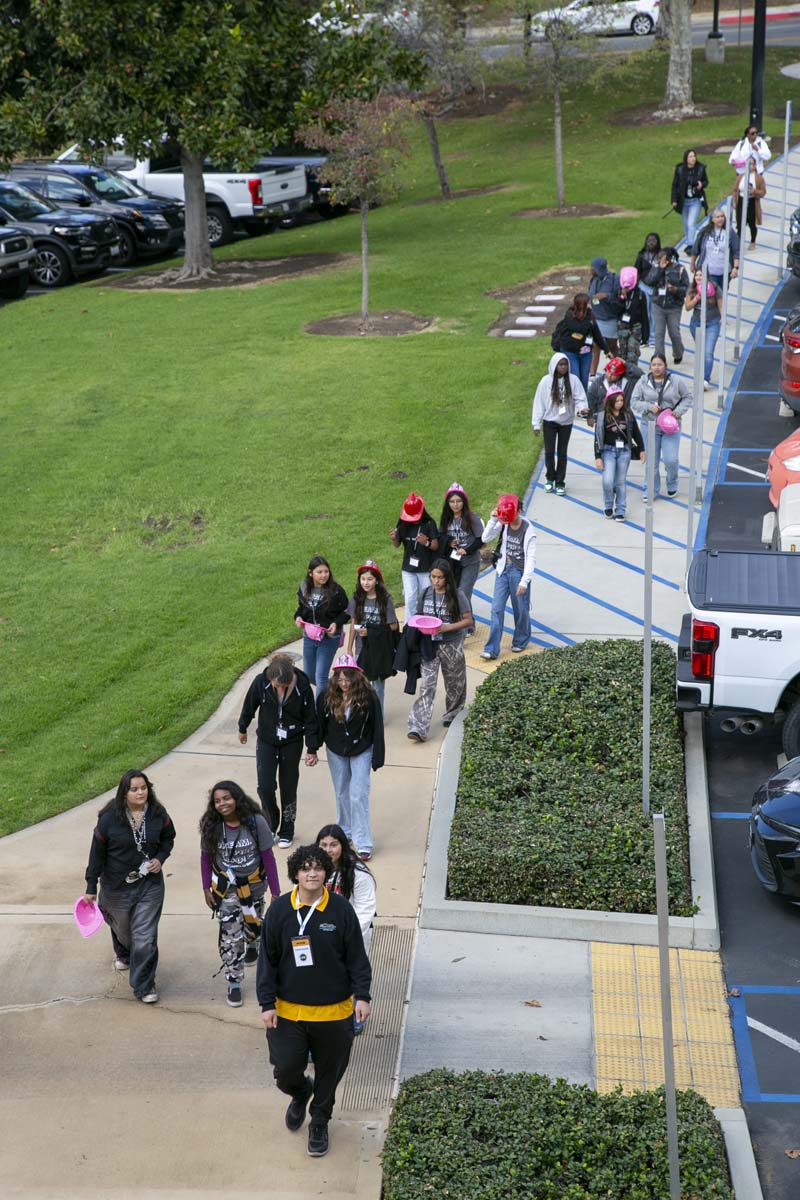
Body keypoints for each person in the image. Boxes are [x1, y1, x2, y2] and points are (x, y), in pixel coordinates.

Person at [257, 844, 371, 1159]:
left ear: (326, 872)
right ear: (295, 873)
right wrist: (266, 1003)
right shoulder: (279, 910)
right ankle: (299, 1092)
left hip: (334, 1011)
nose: (311, 873)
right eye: (305, 868)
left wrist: (362, 995)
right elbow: (267, 959)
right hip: (288, 1010)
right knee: (286, 1068)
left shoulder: (340, 909)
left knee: (330, 1071)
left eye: (317, 868)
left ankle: (319, 1119)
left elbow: (357, 958)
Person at [83, 769, 175, 1005]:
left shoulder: (158, 814)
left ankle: (144, 985)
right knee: (122, 927)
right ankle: (123, 952)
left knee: (144, 936)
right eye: (134, 789)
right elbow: (96, 854)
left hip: (150, 886)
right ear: (124, 793)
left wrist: (160, 858)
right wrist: (91, 886)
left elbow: (168, 837)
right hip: (116, 887)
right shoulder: (108, 820)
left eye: (143, 787)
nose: (140, 792)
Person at [199, 780, 281, 1007]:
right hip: (227, 891)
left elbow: (268, 857)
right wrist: (206, 888)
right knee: (231, 937)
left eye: (226, 798)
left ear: (237, 798)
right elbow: (206, 858)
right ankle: (234, 981)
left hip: (254, 887)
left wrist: (276, 891)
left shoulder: (256, 823)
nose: (222, 804)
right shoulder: (211, 825)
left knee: (253, 926)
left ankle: (252, 941)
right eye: (217, 801)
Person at [238, 653, 319, 849]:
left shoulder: (303, 686)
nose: (281, 689)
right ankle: (271, 824)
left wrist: (312, 748)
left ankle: (287, 830)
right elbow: (249, 705)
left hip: (292, 740)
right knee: (265, 786)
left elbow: (310, 718)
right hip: (267, 739)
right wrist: (243, 727)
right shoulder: (261, 682)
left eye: (285, 685)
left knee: (288, 786)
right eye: (277, 686)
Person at [317, 655, 384, 862]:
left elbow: (377, 727)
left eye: (348, 679)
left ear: (356, 677)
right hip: (336, 750)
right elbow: (319, 723)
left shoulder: (369, 696)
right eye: (340, 679)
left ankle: (363, 842)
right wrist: (312, 748)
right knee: (341, 792)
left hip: (362, 748)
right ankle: (345, 831)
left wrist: (378, 756)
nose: (344, 684)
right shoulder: (326, 697)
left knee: (358, 794)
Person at [317, 823, 377, 1034]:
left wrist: (344, 937)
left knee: (353, 975)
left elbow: (365, 910)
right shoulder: (313, 870)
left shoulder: (358, 873)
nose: (328, 849)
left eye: (333, 844)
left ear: (343, 845)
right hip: (322, 936)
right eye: (323, 844)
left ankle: (356, 1013)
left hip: (354, 936)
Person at [407, 558, 473, 739]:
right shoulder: (425, 593)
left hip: (452, 644)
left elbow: (468, 620)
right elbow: (419, 615)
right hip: (429, 645)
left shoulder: (458, 595)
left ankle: (453, 713)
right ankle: (418, 727)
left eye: (440, 577)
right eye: (433, 577)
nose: (436, 581)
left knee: (454, 684)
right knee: (427, 686)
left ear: (447, 578)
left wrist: (446, 627)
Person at [479, 494, 536, 662]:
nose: (508, 521)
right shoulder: (504, 522)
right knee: (496, 608)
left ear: (520, 510)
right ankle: (491, 649)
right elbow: (485, 538)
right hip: (503, 570)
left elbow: (531, 559)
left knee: (521, 608)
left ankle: (521, 639)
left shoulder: (528, 530)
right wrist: (492, 519)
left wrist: (524, 581)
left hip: (519, 571)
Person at [631, 353, 692, 501]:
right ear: (650, 366)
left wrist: (677, 412)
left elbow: (687, 397)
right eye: (654, 365)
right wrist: (648, 407)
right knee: (652, 461)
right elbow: (634, 401)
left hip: (670, 426)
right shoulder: (643, 381)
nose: (656, 368)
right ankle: (650, 489)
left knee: (671, 460)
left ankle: (672, 482)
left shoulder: (675, 381)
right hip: (650, 425)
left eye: (660, 365)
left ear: (665, 366)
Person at [532, 352, 589, 496]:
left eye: (565, 365)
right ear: (554, 365)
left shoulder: (573, 380)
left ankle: (560, 481)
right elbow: (539, 403)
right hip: (549, 422)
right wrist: (536, 424)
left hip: (566, 423)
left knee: (562, 452)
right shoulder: (546, 381)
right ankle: (550, 478)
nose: (563, 367)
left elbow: (580, 397)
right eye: (560, 365)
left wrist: (582, 409)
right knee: (550, 452)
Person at [345, 560, 398, 709]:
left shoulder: (385, 599)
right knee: (360, 684)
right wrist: (349, 648)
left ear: (377, 580)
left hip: (379, 649)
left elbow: (393, 626)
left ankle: (378, 717)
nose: (366, 583)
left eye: (370, 579)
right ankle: (364, 714)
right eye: (363, 579)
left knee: (378, 686)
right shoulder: (357, 598)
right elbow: (354, 623)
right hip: (361, 647)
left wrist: (371, 631)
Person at [294, 556, 350, 695]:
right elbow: (301, 609)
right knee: (308, 675)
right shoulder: (304, 588)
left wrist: (335, 623)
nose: (324, 575)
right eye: (319, 572)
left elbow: (347, 612)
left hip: (329, 638)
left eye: (326, 571)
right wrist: (298, 617)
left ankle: (321, 713)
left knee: (320, 677)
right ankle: (336, 689)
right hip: (309, 637)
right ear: (310, 573)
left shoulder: (336, 591)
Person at [593, 387, 646, 522]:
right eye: (617, 401)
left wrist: (641, 450)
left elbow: (636, 433)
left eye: (622, 400)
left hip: (624, 451)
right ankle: (608, 504)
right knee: (608, 480)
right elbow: (597, 438)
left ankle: (621, 509)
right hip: (608, 451)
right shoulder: (602, 416)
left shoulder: (628, 414)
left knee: (620, 481)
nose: (620, 403)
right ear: (610, 401)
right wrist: (598, 456)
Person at [389, 492, 439, 617]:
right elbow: (397, 544)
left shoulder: (429, 523)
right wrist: (394, 538)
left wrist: (426, 542)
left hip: (425, 568)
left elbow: (435, 545)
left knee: (426, 598)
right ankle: (409, 628)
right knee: (410, 598)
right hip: (408, 568)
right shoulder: (402, 523)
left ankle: (427, 624)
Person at [437, 482, 485, 611]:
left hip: (471, 561)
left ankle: (467, 625)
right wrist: (448, 542)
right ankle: (466, 623)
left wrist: (467, 550)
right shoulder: (446, 518)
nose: (455, 504)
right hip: (453, 562)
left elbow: (481, 539)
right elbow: (440, 535)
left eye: (458, 501)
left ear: (464, 502)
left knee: (463, 592)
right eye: (452, 501)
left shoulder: (471, 517)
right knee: (455, 592)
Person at [550, 292, 606, 391]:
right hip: (571, 352)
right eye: (588, 303)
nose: (590, 304)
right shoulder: (570, 315)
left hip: (586, 353)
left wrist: (607, 350)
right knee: (575, 378)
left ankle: (583, 403)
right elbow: (578, 328)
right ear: (582, 305)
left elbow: (596, 334)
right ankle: (574, 402)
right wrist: (589, 323)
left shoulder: (590, 316)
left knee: (584, 379)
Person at [645, 247, 688, 364]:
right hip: (658, 305)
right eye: (659, 258)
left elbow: (686, 289)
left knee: (674, 332)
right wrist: (660, 269)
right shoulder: (656, 268)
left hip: (674, 307)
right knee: (659, 333)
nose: (659, 260)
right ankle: (659, 359)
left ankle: (678, 353)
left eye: (662, 258)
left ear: (668, 259)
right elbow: (649, 281)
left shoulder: (680, 269)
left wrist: (676, 290)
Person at [685, 271, 723, 391]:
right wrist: (696, 298)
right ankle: (701, 374)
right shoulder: (692, 289)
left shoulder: (715, 288)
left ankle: (705, 379)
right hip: (696, 323)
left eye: (701, 275)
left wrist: (723, 318)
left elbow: (721, 306)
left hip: (713, 323)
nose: (698, 277)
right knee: (701, 351)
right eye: (697, 275)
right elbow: (687, 307)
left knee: (708, 352)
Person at [689, 207, 740, 288]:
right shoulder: (705, 232)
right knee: (709, 295)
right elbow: (696, 249)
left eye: (722, 216)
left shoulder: (730, 232)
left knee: (721, 296)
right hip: (707, 272)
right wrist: (692, 264)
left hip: (724, 272)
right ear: (712, 219)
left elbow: (736, 251)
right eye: (718, 217)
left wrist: (735, 268)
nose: (720, 219)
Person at [610, 268, 649, 371]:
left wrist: (645, 336)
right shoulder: (617, 293)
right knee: (623, 353)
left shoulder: (640, 294)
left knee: (632, 353)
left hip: (636, 327)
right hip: (622, 327)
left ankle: (632, 374)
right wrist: (622, 298)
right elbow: (615, 310)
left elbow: (644, 315)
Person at [670, 149, 708, 252]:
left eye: (694, 156)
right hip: (684, 202)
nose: (693, 158)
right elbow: (675, 185)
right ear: (686, 158)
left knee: (691, 223)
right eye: (690, 156)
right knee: (686, 224)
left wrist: (701, 185)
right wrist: (674, 200)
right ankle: (689, 241)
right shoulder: (680, 169)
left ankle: (691, 245)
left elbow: (706, 181)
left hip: (695, 201)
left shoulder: (700, 168)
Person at [588, 257, 620, 375]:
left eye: (593, 267)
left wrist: (606, 296)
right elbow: (590, 294)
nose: (591, 269)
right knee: (595, 347)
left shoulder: (614, 279)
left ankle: (617, 367)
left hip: (610, 319)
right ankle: (592, 375)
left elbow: (619, 297)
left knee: (611, 346)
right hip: (596, 318)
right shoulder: (593, 280)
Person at [587, 356, 639, 428]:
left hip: (624, 417)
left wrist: (626, 364)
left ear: (620, 374)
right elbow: (590, 399)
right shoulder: (598, 383)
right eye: (608, 371)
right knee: (601, 439)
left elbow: (640, 374)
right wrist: (590, 416)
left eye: (613, 374)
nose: (609, 375)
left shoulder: (628, 382)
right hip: (604, 419)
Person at [634, 232, 662, 344]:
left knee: (654, 314)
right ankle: (643, 337)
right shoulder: (641, 256)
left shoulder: (661, 255)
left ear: (658, 242)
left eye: (653, 241)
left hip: (657, 289)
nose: (651, 243)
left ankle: (653, 338)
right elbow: (636, 271)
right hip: (644, 288)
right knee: (645, 314)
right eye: (648, 241)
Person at [733, 164, 766, 250]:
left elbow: (763, 192)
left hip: (752, 202)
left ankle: (753, 241)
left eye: (751, 164)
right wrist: (735, 201)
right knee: (740, 224)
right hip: (741, 201)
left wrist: (754, 191)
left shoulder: (759, 178)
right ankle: (738, 244)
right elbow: (735, 189)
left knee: (752, 223)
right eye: (747, 164)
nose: (749, 166)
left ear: (755, 165)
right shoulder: (741, 176)